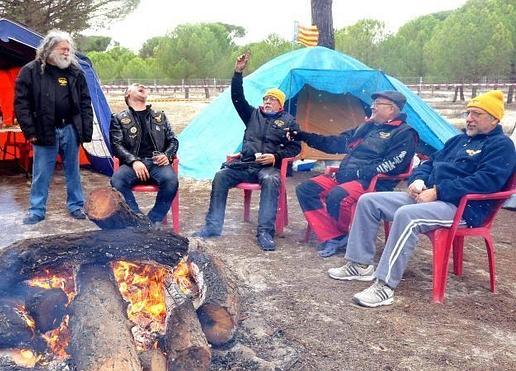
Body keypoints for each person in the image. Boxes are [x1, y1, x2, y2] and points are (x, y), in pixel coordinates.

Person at [328, 90, 516, 308]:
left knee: (407, 216)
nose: (469, 118)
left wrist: (438, 191)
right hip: (430, 199)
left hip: (463, 209)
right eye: (468, 113)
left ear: (494, 119)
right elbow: (429, 163)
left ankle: (384, 286)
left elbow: (486, 182)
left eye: (477, 114)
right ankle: (359, 265)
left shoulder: (501, 146)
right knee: (369, 201)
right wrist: (417, 181)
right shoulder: (458, 140)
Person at [194, 51, 301, 251]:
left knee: (271, 180)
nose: (267, 101)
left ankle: (265, 233)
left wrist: (275, 157)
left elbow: (296, 147)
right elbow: (236, 97)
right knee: (220, 176)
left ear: (280, 103)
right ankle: (213, 226)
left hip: (268, 169)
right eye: (265, 98)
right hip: (246, 164)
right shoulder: (252, 115)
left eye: (272, 99)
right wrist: (237, 73)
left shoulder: (288, 121)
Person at [293, 91, 418, 257]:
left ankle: (344, 235)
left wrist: (358, 173)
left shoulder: (405, 133)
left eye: (378, 103)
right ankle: (334, 235)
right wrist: (302, 136)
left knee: (338, 196)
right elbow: (335, 143)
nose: (372, 107)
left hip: (372, 182)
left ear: (391, 109)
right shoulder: (367, 128)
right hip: (346, 178)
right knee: (306, 189)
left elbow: (393, 165)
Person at [14, 30, 94, 225]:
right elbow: (21, 104)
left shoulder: (75, 72)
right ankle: (36, 210)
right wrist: (30, 132)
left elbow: (85, 102)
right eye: (63, 49)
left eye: (69, 49)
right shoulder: (30, 71)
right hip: (44, 129)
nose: (67, 53)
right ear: (49, 49)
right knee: (41, 172)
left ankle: (76, 206)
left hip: (70, 129)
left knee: (73, 171)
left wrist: (85, 130)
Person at [109, 83, 179, 225]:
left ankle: (153, 220)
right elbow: (116, 145)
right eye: (135, 86)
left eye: (142, 86)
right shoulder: (119, 118)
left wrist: (166, 155)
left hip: (157, 163)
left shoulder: (160, 116)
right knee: (117, 180)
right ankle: (136, 218)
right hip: (132, 165)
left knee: (171, 180)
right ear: (127, 94)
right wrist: (134, 161)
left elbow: (173, 141)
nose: (141, 85)